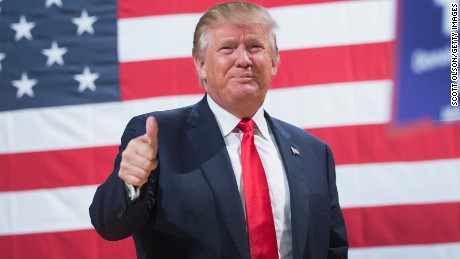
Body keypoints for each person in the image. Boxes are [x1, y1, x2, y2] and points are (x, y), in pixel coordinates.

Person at [89, 2, 348, 258]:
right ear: (201, 66)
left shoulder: (314, 152)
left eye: (255, 47)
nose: (243, 60)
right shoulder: (159, 138)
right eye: (227, 48)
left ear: (274, 62)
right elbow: (110, 226)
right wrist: (129, 183)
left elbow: (332, 247)